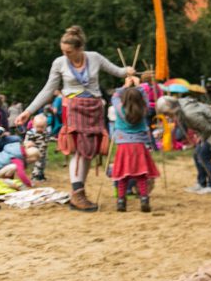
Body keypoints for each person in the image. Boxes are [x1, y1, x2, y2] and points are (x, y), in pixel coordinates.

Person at [15, 26, 135, 211]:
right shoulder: (59, 63)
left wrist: (128, 70)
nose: (65, 54)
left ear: (79, 48)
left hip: (94, 108)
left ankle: (78, 193)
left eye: (69, 51)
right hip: (73, 108)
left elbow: (118, 71)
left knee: (88, 151)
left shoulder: (94, 57)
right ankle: (77, 193)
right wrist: (29, 111)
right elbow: (48, 89)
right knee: (79, 149)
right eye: (63, 51)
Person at [156, 96, 211, 194]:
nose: (166, 116)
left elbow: (207, 129)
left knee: (203, 156)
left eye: (166, 113)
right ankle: (201, 183)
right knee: (197, 155)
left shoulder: (189, 114)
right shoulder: (179, 106)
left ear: (170, 108)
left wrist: (201, 138)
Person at [111, 84, 160, 213]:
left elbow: (115, 96)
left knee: (123, 175)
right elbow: (145, 96)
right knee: (141, 174)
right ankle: (144, 199)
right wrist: (138, 85)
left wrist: (125, 85)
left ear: (124, 99)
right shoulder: (144, 109)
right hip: (139, 145)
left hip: (123, 145)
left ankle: (121, 201)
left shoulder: (119, 108)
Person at [24, 114, 51, 181]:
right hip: (35, 152)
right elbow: (26, 141)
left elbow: (47, 139)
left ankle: (41, 175)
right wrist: (28, 144)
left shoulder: (46, 132)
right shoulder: (31, 133)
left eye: (42, 127)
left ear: (45, 126)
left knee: (43, 163)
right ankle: (35, 176)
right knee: (37, 164)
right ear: (33, 125)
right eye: (38, 127)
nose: (40, 129)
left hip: (43, 151)